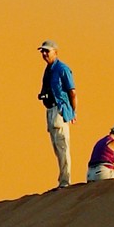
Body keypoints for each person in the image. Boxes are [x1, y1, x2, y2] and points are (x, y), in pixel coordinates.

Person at [37, 40, 77, 189]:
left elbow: (72, 92)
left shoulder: (62, 69)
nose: (44, 54)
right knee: (56, 147)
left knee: (62, 146)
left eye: (47, 51)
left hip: (59, 111)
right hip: (50, 111)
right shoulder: (48, 70)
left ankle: (65, 182)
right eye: (42, 51)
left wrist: (73, 112)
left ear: (55, 52)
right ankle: (62, 180)